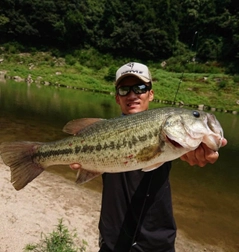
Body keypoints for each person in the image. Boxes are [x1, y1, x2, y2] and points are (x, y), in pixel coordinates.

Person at [70, 62, 227, 252]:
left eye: (140, 88)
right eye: (124, 89)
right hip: (113, 239)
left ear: (150, 94)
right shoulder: (103, 131)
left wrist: (200, 152)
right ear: (117, 98)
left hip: (157, 242)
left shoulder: (173, 140)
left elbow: (194, 153)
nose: (132, 94)